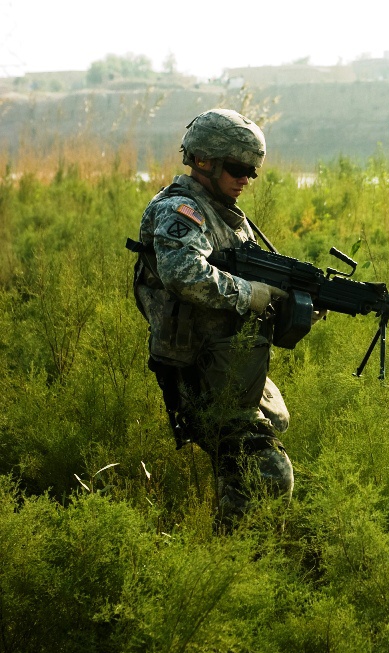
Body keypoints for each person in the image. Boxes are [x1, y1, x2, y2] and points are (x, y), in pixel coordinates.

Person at [129, 108, 294, 526]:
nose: (245, 179)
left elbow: (249, 278)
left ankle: (235, 532)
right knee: (267, 470)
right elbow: (183, 273)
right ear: (205, 161)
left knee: (272, 424)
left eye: (251, 172)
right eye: (238, 168)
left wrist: (297, 302)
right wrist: (249, 295)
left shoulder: (227, 215)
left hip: (227, 361)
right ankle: (235, 561)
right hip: (195, 365)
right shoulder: (182, 211)